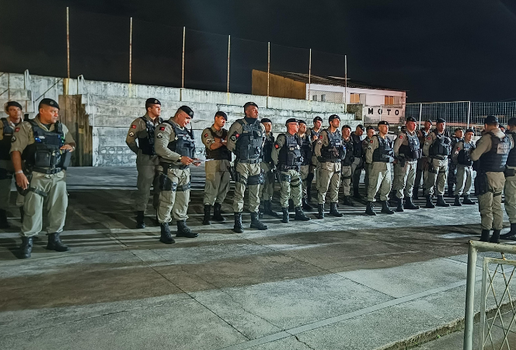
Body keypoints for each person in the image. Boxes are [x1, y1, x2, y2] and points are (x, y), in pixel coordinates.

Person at [11, 98, 75, 259]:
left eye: (57, 112)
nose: (56, 115)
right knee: (32, 210)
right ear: (42, 111)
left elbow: (72, 142)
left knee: (59, 208)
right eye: (53, 112)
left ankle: (54, 238)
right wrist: (19, 173)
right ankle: (27, 242)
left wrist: (70, 147)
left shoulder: (61, 127)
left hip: (58, 175)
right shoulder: (26, 127)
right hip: (36, 175)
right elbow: (16, 151)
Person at [154, 106, 199, 244]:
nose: (187, 121)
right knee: (167, 200)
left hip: (184, 171)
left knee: (183, 200)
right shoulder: (166, 127)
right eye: (186, 118)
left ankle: (181, 226)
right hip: (170, 170)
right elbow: (160, 148)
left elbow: (188, 148)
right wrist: (180, 158)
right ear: (179, 115)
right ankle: (164, 229)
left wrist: (193, 159)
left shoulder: (185, 130)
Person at [227, 102, 268, 233]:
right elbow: (230, 144)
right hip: (243, 164)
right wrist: (240, 154)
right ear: (246, 112)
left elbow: (262, 144)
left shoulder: (260, 126)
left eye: (257, 109)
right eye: (253, 110)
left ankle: (254, 219)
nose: (256, 112)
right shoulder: (239, 125)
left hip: (255, 164)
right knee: (240, 192)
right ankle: (237, 221)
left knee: (255, 193)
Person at [470, 115, 511, 243]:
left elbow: (474, 156)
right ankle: (497, 234)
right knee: (497, 206)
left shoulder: (487, 138)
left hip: (487, 176)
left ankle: (485, 234)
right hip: (501, 175)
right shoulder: (507, 139)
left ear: (486, 126)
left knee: (486, 206)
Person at [126, 98, 163, 229]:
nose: (159, 110)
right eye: (157, 107)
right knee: (144, 189)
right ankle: (140, 217)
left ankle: (160, 216)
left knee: (160, 189)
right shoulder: (139, 122)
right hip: (146, 159)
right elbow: (130, 140)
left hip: (160, 160)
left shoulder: (162, 123)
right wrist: (139, 152)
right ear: (149, 108)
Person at [272, 118, 311, 223]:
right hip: (285, 170)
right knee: (286, 192)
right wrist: (277, 165)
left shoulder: (297, 138)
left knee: (297, 191)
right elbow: (275, 152)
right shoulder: (283, 138)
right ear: (290, 125)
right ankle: (285, 213)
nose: (298, 126)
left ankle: (299, 211)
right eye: (296, 124)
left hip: (295, 170)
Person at [201, 111, 232, 225]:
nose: (223, 121)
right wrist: (223, 142)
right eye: (222, 119)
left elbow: (232, 144)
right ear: (216, 118)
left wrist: (222, 142)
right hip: (213, 161)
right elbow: (212, 145)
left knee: (224, 187)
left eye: (225, 120)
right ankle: (207, 214)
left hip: (226, 162)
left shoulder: (226, 132)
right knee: (211, 187)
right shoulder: (207, 132)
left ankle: (217, 211)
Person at [314, 114, 345, 219]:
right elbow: (318, 146)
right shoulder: (324, 133)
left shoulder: (338, 134)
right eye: (336, 121)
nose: (338, 122)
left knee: (335, 187)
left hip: (337, 164)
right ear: (331, 122)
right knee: (324, 187)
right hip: (327, 164)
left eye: (339, 121)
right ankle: (321, 209)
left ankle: (333, 208)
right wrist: (319, 157)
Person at [0, 101, 24, 228]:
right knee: (3, 190)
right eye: (12, 110)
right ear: (7, 112)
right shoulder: (2, 124)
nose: (16, 112)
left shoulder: (27, 124)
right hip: (4, 161)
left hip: (22, 162)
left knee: (24, 190)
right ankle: (2, 218)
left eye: (17, 109)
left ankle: (25, 217)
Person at [365, 121, 395, 215]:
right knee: (374, 185)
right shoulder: (374, 139)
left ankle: (384, 204)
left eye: (387, 127)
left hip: (387, 165)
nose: (386, 129)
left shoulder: (387, 139)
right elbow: (369, 153)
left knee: (387, 185)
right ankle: (370, 205)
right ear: (379, 128)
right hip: (377, 164)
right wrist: (371, 165)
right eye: (384, 127)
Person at [392, 117, 422, 212]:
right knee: (401, 182)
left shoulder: (415, 135)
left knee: (410, 182)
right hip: (404, 162)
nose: (414, 126)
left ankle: (408, 200)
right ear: (407, 124)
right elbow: (396, 148)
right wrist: (397, 158)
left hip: (414, 161)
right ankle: (399, 202)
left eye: (415, 124)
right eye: (412, 124)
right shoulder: (403, 135)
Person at [423, 118, 452, 208]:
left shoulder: (447, 134)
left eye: (444, 124)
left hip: (444, 159)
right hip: (435, 159)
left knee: (442, 179)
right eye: (440, 124)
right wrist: (429, 158)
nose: (442, 126)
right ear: (437, 125)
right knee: (432, 179)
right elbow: (425, 148)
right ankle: (429, 198)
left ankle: (440, 197)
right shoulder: (432, 135)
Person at [451, 128, 475, 206]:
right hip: (461, 165)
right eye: (469, 134)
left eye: (472, 135)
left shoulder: (472, 144)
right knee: (460, 182)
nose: (470, 136)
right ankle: (457, 197)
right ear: (465, 135)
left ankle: (466, 196)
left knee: (469, 182)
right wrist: (457, 163)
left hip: (469, 165)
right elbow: (455, 154)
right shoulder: (460, 144)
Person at [501, 118, 516, 240]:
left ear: (510, 126)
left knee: (511, 201)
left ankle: (514, 229)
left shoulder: (509, 137)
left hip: (512, 172)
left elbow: (503, 152)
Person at [259, 118, 277, 217]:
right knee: (260, 186)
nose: (269, 127)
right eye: (266, 125)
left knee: (270, 187)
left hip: (270, 163)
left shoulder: (271, 137)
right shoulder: (259, 136)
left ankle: (267, 207)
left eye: (270, 125)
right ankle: (257, 208)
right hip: (262, 162)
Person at [414, 120, 433, 199]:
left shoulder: (431, 134)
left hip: (428, 156)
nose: (428, 125)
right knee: (418, 175)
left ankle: (426, 192)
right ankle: (415, 192)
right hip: (420, 156)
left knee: (427, 175)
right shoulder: (419, 132)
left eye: (429, 124)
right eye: (426, 124)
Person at [307, 116, 323, 205]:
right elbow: (307, 141)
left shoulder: (322, 132)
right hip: (312, 155)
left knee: (320, 176)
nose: (319, 124)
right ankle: (308, 194)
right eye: (317, 122)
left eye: (320, 122)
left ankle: (319, 194)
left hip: (320, 156)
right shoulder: (310, 131)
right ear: (314, 123)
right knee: (310, 175)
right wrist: (312, 140)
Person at [297, 119, 313, 211]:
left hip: (305, 164)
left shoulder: (307, 138)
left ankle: (304, 201)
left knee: (304, 184)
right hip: (296, 164)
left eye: (305, 126)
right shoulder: (294, 137)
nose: (304, 128)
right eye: (302, 126)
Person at [341, 125, 355, 206]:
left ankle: (347, 197)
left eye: (349, 131)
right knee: (336, 183)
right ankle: (334, 200)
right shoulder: (339, 140)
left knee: (347, 182)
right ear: (342, 131)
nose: (348, 132)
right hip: (341, 164)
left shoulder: (351, 141)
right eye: (346, 130)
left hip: (348, 164)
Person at [447, 128, 464, 197]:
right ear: (455, 133)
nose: (461, 133)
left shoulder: (463, 141)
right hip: (453, 160)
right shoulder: (453, 140)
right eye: (459, 132)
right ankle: (450, 190)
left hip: (461, 161)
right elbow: (454, 151)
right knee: (451, 175)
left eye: (462, 132)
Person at [351, 124, 365, 199]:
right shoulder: (351, 137)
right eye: (360, 130)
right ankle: (347, 193)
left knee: (357, 177)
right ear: (356, 129)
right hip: (353, 159)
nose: (361, 132)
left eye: (362, 131)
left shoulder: (360, 138)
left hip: (359, 158)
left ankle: (356, 192)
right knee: (349, 177)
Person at [362, 126, 375, 191]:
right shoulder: (365, 142)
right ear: (367, 133)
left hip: (376, 161)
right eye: (370, 132)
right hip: (368, 161)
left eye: (373, 132)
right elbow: (366, 151)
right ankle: (367, 190)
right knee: (368, 177)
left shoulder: (376, 140)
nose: (372, 133)